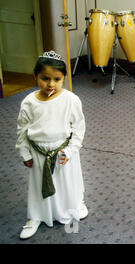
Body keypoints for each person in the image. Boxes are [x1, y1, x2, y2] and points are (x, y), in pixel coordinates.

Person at [16, 51, 88, 240]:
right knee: (40, 183)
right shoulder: (29, 102)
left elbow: (79, 127)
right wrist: (24, 153)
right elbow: (21, 130)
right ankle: (36, 216)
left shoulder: (71, 100)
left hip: (63, 150)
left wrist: (71, 150)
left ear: (64, 78)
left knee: (66, 182)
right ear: (35, 77)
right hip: (39, 152)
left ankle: (74, 203)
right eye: (45, 78)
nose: (50, 84)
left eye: (57, 79)